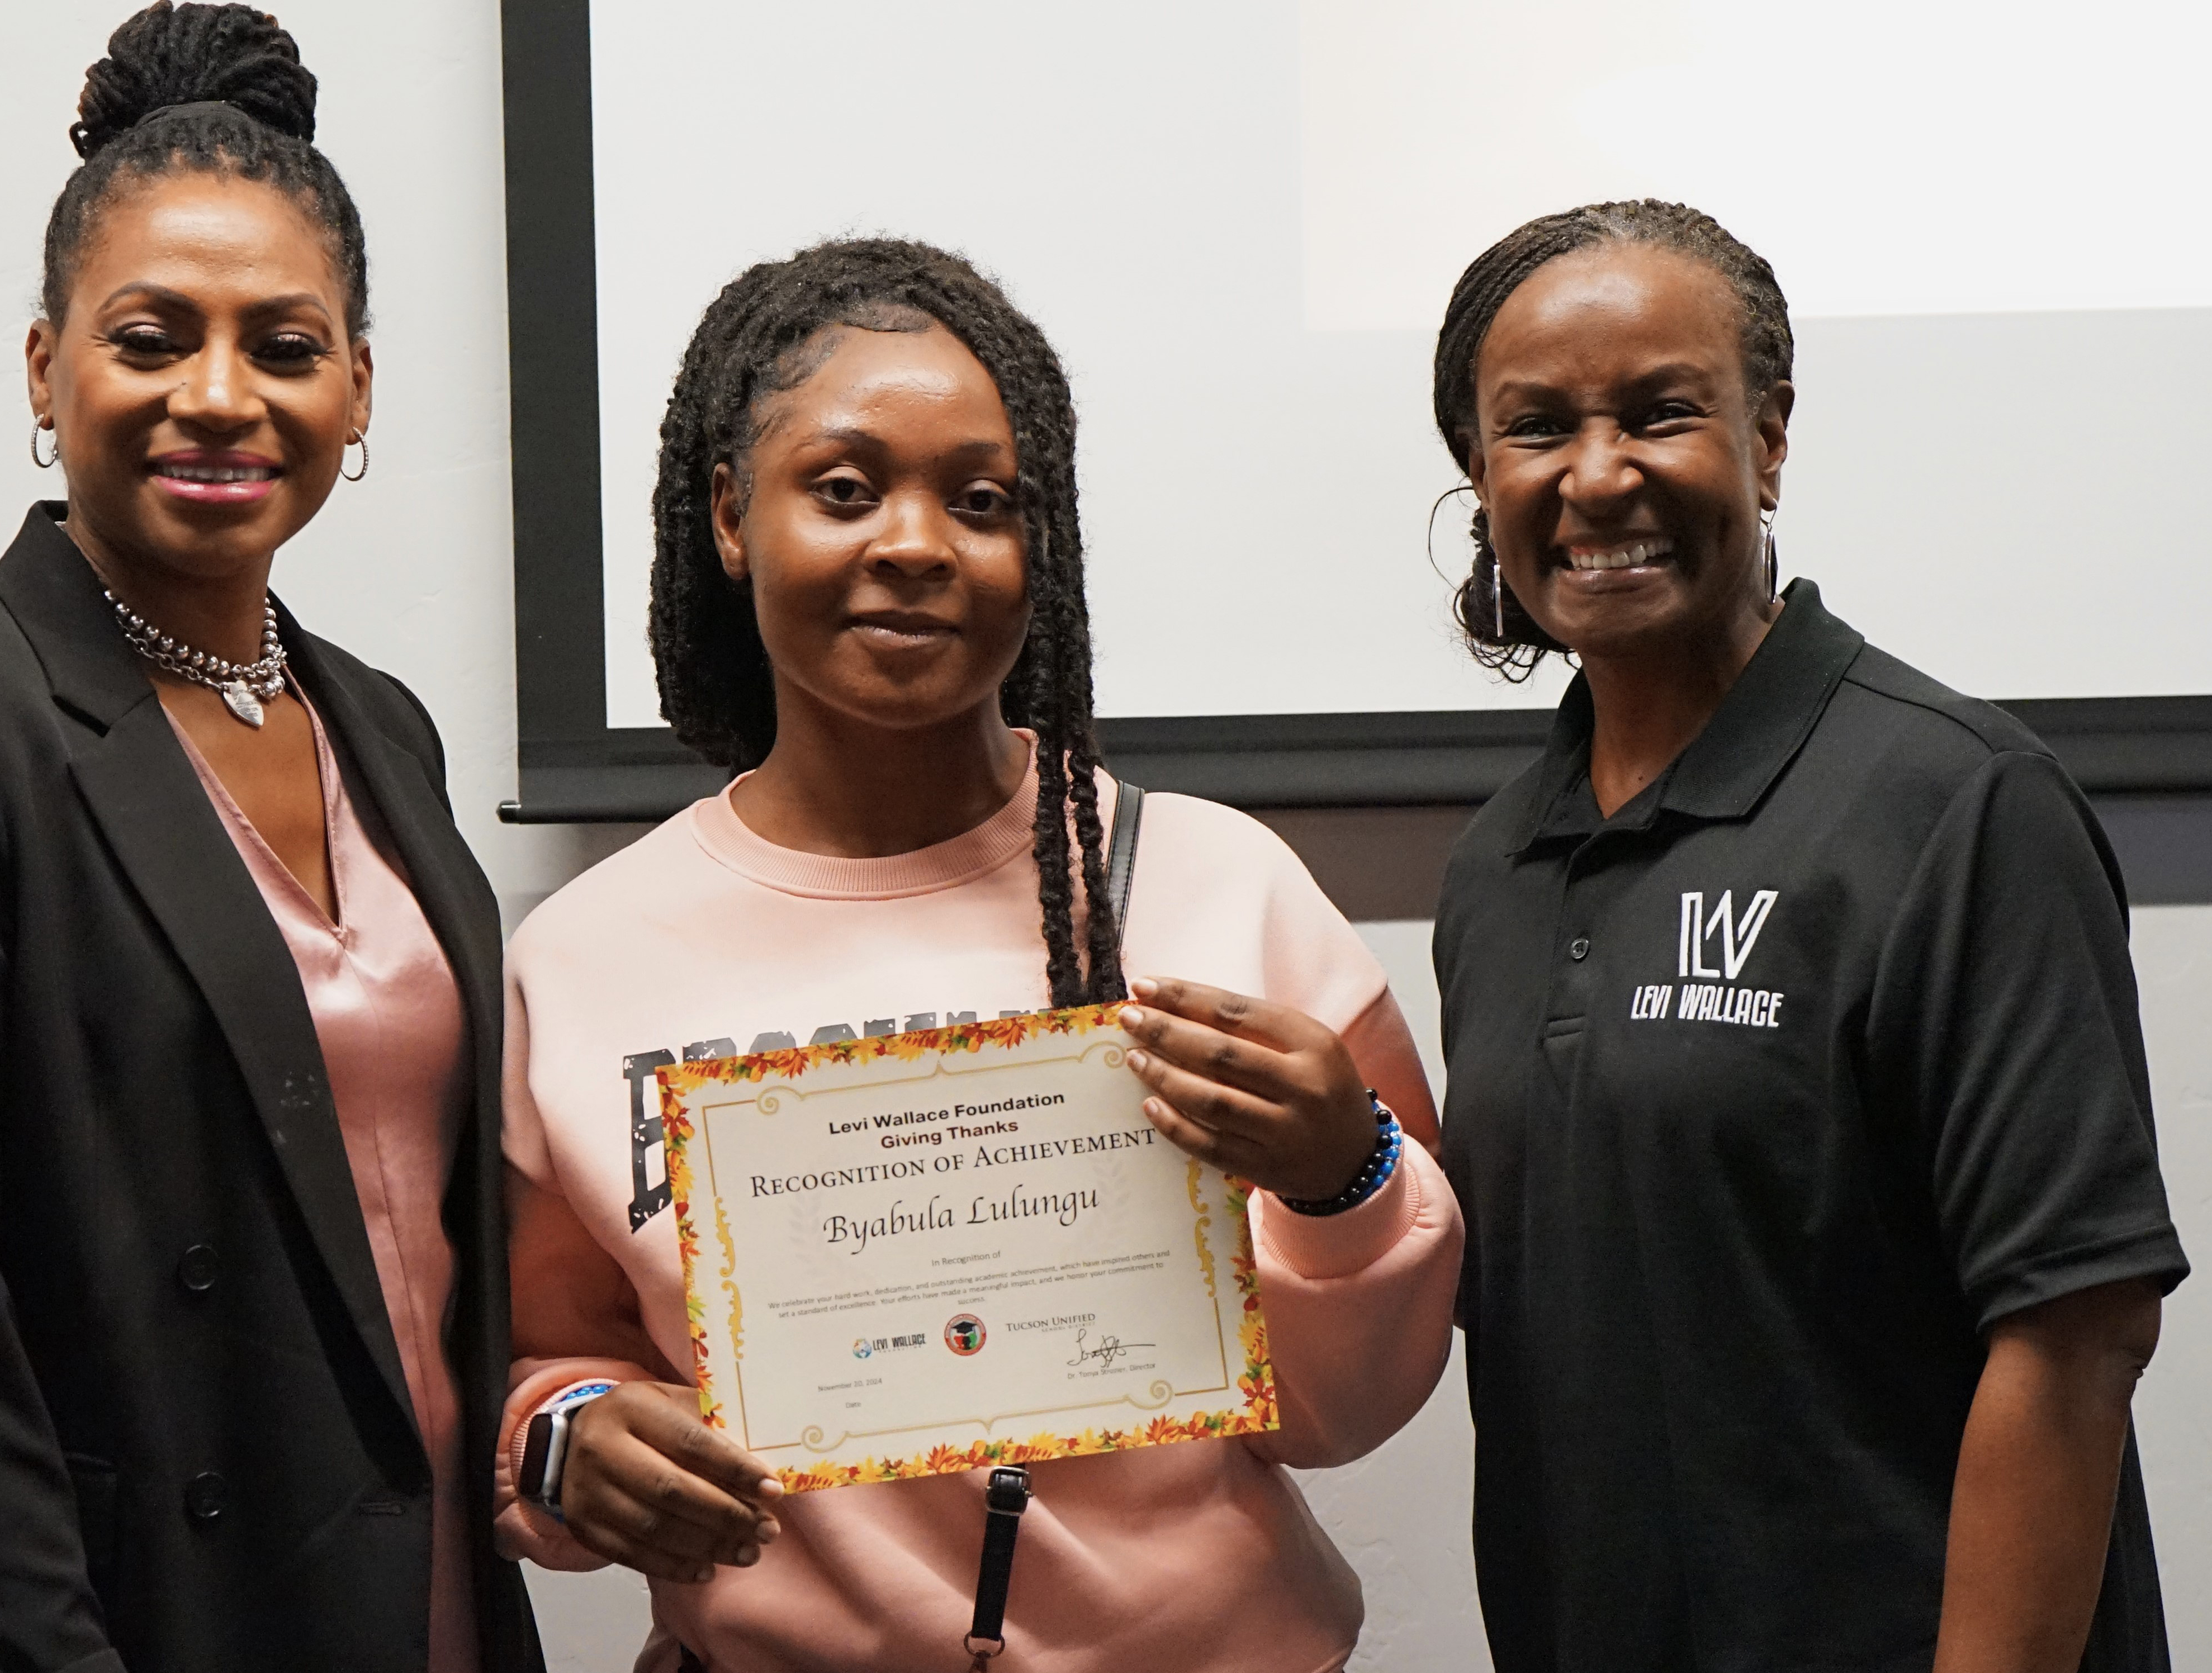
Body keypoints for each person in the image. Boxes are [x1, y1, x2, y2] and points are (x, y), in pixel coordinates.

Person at [488, 238, 1463, 1672]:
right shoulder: (583, 956)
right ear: (728, 517)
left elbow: (1345, 1413)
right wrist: (564, 1440)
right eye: (843, 487)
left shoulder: (1222, 889)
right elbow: (550, 1374)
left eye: (983, 501)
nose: (915, 542)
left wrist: (1347, 1175)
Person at [0, 6, 541, 1667]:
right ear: (47, 368)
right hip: (129, 1627)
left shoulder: (380, 725)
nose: (218, 396)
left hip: (420, 1609)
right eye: (150, 335)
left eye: (282, 343)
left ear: (359, 386)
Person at [1426, 199, 2190, 1672]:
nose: (1599, 474)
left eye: (1662, 412)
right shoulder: (1492, 871)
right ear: (1480, 473)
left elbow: (2077, 1335)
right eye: (1536, 429)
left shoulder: (1958, 807)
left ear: (1768, 438)